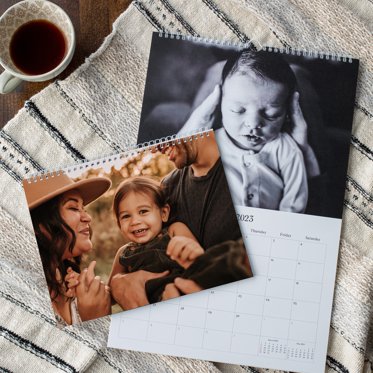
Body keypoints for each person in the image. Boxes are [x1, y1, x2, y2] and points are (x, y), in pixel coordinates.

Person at [110, 133, 252, 309]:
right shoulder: (167, 188)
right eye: (125, 216)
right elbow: (112, 289)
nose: (153, 148)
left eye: (157, 131)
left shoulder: (253, 169)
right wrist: (118, 284)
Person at [23, 173, 112, 325]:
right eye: (73, 208)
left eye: (83, 207)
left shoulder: (69, 284)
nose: (87, 217)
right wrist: (94, 319)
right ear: (41, 225)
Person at [108, 176, 205, 303]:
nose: (135, 221)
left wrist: (192, 252)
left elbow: (200, 263)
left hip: (181, 291)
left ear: (164, 213)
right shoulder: (124, 253)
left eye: (143, 211)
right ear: (119, 224)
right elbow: (111, 294)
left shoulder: (174, 231)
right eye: (126, 216)